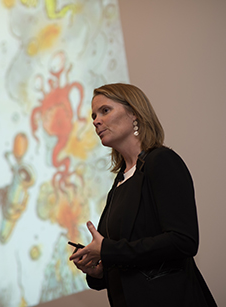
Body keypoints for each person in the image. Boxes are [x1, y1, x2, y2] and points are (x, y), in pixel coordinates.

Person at [69, 83, 216, 306]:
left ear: (134, 113)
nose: (96, 121)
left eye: (105, 111)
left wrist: (108, 249)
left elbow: (183, 241)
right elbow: (132, 262)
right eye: (93, 116)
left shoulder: (161, 162)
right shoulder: (119, 182)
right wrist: (99, 271)